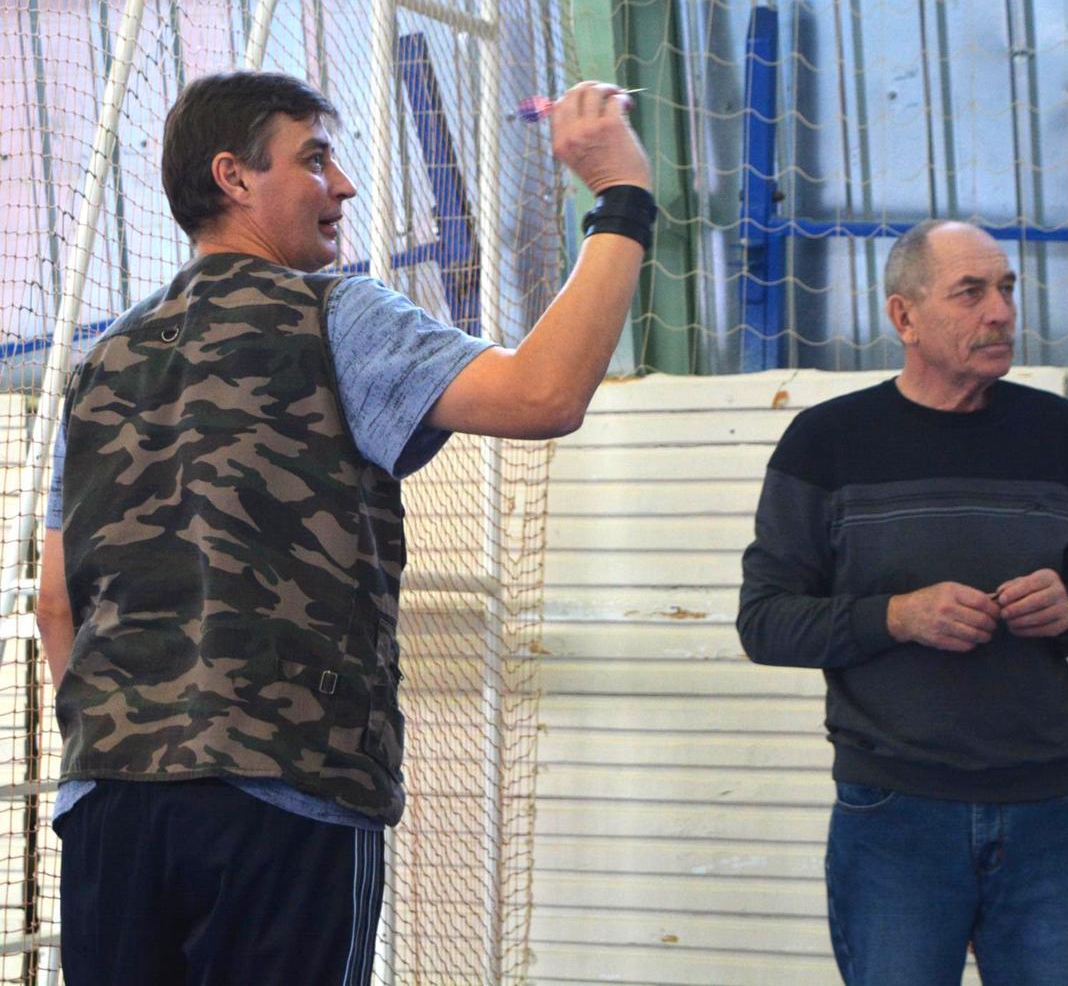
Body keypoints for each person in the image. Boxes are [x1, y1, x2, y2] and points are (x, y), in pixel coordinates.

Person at [35, 70, 655, 985]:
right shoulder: (335, 314)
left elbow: (56, 605)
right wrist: (621, 195)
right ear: (233, 177)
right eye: (315, 160)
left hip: (110, 800)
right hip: (283, 790)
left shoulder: (103, 362)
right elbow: (545, 394)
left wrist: (126, 738)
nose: (345, 185)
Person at [737, 219, 1068, 986]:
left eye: (1007, 289)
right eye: (971, 293)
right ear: (904, 316)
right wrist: (898, 616)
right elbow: (765, 622)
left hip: (1047, 807)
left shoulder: (1058, 432)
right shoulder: (827, 441)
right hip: (896, 814)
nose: (1002, 312)